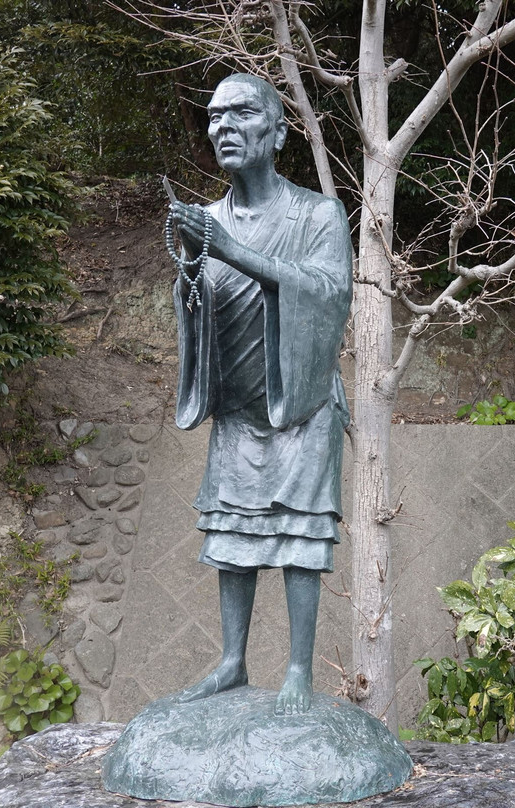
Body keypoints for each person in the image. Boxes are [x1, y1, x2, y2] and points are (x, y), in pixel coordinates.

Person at [166, 74, 352, 716]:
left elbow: (329, 296)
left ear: (277, 131)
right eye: (215, 116)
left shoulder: (317, 214)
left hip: (299, 406)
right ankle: (232, 661)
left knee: (301, 539)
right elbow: (195, 318)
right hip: (241, 407)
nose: (225, 126)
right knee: (232, 538)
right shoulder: (208, 220)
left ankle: (299, 669)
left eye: (243, 113)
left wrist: (234, 252)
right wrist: (193, 264)